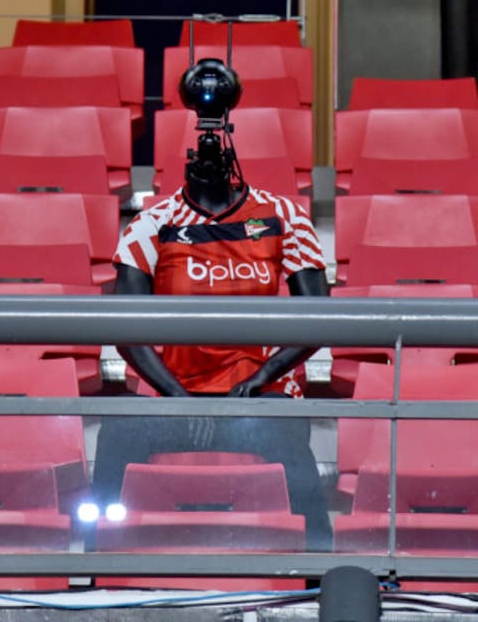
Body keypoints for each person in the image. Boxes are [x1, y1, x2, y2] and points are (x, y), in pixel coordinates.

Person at [91, 56, 333, 550]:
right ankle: (96, 559)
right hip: (171, 396)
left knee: (294, 447)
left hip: (259, 396)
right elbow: (125, 329)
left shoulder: (285, 214)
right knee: (115, 434)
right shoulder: (151, 223)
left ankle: (320, 568)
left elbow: (320, 315)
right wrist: (177, 398)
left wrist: (260, 379)